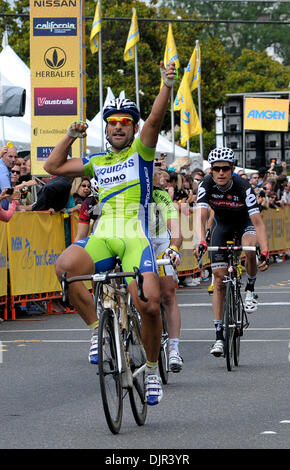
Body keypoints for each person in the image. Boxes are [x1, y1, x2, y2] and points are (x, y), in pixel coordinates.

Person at [44, 61, 177, 406]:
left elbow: (154, 121)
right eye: (112, 123)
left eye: (124, 123)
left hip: (135, 235)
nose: (118, 127)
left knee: (148, 304)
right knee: (65, 268)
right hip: (105, 234)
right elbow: (52, 167)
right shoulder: (97, 161)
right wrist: (71, 136)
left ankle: (149, 371)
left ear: (132, 127)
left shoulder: (141, 152)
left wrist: (166, 86)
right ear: (106, 129)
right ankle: (95, 332)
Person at [194, 147, 269, 358]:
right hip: (222, 225)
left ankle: (250, 288)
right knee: (218, 280)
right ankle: (219, 336)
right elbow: (200, 217)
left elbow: (258, 222)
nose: (220, 173)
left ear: (232, 169)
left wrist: (265, 251)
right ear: (211, 170)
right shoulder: (206, 184)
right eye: (216, 169)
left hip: (244, 222)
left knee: (249, 248)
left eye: (225, 169)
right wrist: (201, 240)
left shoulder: (243, 186)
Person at [152, 170, 183, 371]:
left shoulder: (160, 194)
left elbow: (176, 229)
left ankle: (173, 349)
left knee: (167, 294)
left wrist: (173, 248)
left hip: (159, 241)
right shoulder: (122, 192)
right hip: (133, 241)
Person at [0, 144, 17, 209]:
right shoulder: (2, 168)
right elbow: (8, 193)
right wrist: (25, 185)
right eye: (10, 156)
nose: (13, 160)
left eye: (15, 157)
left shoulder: (6, 169)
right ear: (3, 157)